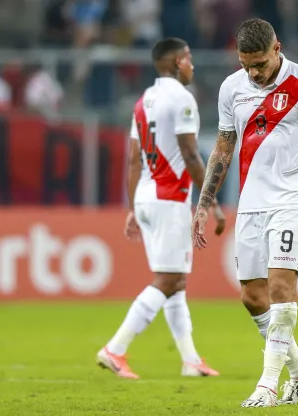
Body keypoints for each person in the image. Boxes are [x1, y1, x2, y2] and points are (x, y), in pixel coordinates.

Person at [191, 18, 298, 407]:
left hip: (291, 199)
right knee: (253, 297)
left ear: (278, 49)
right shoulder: (230, 88)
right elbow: (223, 147)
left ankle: (268, 385)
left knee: (279, 290)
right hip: (250, 203)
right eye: (246, 65)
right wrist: (204, 202)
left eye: (260, 64)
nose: (253, 73)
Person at [97, 37, 225, 379]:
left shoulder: (144, 101)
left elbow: (133, 160)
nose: (192, 65)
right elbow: (190, 154)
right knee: (168, 279)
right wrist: (210, 202)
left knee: (176, 282)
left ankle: (190, 360)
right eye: (189, 58)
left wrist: (131, 209)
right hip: (169, 198)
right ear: (177, 62)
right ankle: (115, 348)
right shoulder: (182, 99)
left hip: (145, 196)